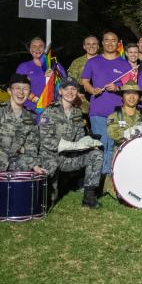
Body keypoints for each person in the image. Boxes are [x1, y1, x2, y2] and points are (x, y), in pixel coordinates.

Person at [0, 74, 44, 211]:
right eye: (17, 88)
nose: (21, 92)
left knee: (21, 201)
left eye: (25, 89)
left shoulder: (31, 117)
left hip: (12, 163)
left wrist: (35, 165)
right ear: (9, 91)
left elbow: (31, 147)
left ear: (29, 93)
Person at [38, 77, 103, 208]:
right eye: (66, 89)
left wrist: (89, 142)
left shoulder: (77, 113)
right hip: (50, 158)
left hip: (69, 158)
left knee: (96, 154)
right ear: (60, 91)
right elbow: (45, 140)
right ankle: (54, 188)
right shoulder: (50, 111)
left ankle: (89, 197)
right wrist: (71, 145)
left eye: (73, 88)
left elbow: (79, 137)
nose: (70, 92)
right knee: (48, 202)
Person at [81, 31, 134, 175]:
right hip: (98, 109)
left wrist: (117, 88)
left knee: (112, 145)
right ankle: (95, 177)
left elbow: (131, 86)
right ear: (102, 43)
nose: (110, 43)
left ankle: (108, 175)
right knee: (100, 145)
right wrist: (92, 90)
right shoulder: (93, 62)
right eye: (107, 40)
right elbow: (85, 81)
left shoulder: (124, 64)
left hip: (117, 112)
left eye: (113, 40)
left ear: (118, 44)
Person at [15, 36, 68, 115]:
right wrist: (39, 102)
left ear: (45, 49)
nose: (37, 49)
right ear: (30, 50)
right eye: (34, 46)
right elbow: (18, 89)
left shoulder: (55, 65)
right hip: (29, 110)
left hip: (53, 110)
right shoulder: (24, 67)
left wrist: (53, 77)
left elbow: (65, 85)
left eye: (41, 46)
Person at [107, 81, 142, 145]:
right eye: (128, 93)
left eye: (135, 94)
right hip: (122, 152)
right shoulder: (114, 116)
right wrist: (127, 133)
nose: (132, 97)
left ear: (139, 97)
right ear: (122, 97)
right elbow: (113, 134)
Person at [67, 35, 100, 115]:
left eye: (94, 44)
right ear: (84, 46)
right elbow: (70, 81)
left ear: (98, 46)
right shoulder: (77, 62)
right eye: (88, 44)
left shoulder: (105, 61)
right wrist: (76, 93)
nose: (91, 46)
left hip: (101, 97)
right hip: (82, 99)